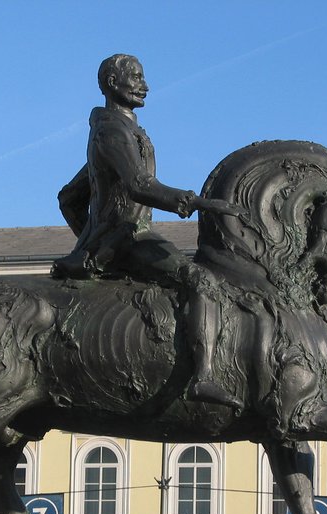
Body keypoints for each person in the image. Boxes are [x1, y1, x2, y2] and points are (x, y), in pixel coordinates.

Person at [53, 53, 244, 411]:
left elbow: (69, 197)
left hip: (117, 237)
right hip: (131, 237)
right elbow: (139, 183)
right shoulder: (112, 129)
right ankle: (202, 377)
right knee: (201, 281)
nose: (146, 85)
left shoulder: (117, 130)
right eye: (137, 77)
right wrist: (199, 203)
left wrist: (89, 245)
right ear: (113, 83)